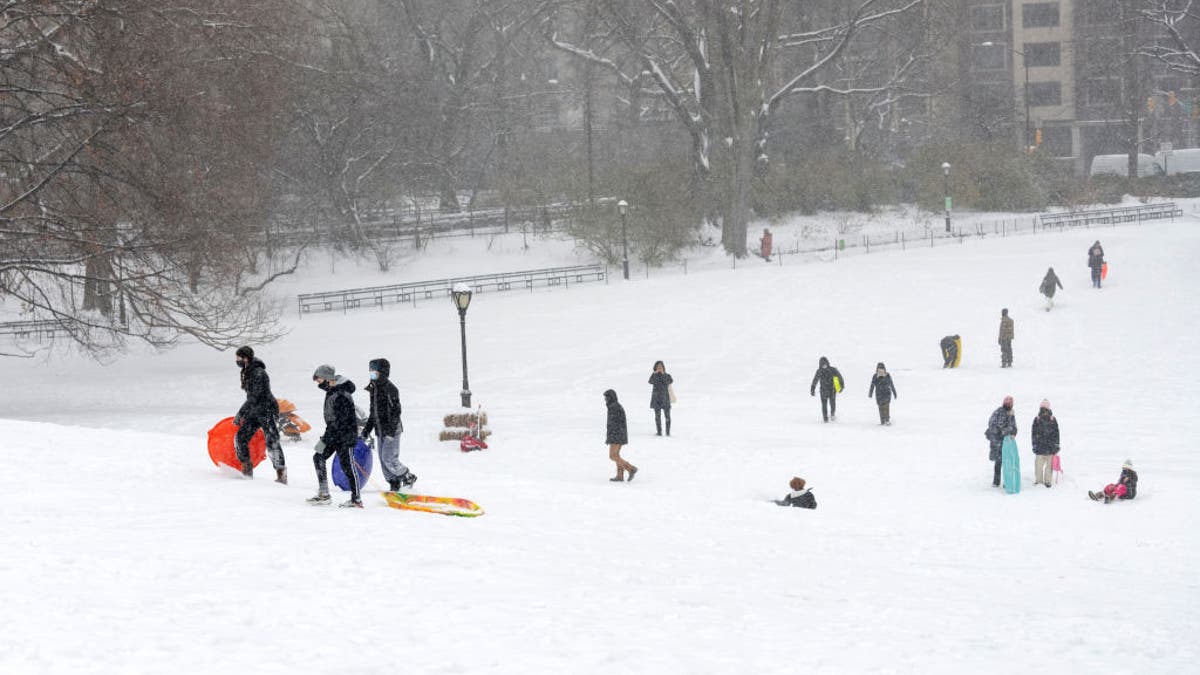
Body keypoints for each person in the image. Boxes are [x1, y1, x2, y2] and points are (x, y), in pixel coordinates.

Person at [307, 364, 363, 508]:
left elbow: (341, 422)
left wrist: (327, 438)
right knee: (318, 457)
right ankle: (324, 494)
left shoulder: (341, 394)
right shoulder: (332, 391)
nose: (318, 384)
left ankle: (356, 500)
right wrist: (327, 437)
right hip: (334, 435)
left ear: (327, 378)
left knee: (348, 467)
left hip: (345, 436)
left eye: (319, 380)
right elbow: (333, 421)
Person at [360, 358, 416, 492]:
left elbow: (397, 412)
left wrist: (391, 432)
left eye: (374, 372)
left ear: (382, 372)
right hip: (380, 430)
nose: (372, 374)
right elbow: (373, 413)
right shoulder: (374, 389)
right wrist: (366, 431)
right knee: (382, 459)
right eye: (371, 372)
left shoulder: (390, 389)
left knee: (389, 458)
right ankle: (394, 482)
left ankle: (408, 476)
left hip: (392, 430)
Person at [233, 346, 286, 483]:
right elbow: (252, 399)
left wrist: (241, 413)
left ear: (246, 358)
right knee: (240, 437)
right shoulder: (248, 371)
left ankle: (281, 474)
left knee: (272, 441)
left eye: (238, 358)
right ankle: (247, 470)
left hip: (267, 410)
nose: (236, 360)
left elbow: (254, 397)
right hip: (255, 410)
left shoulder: (258, 373)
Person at [604, 389, 637, 482]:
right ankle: (620, 476)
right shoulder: (614, 406)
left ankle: (631, 469)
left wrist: (612, 437)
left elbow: (614, 424)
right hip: (619, 435)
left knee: (612, 456)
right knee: (616, 455)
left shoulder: (614, 407)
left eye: (606, 397)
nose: (605, 400)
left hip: (617, 436)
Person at [985, 396, 1018, 487]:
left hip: (1007, 442)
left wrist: (1014, 433)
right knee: (999, 462)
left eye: (1010, 402)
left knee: (1007, 462)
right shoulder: (998, 412)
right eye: (1007, 402)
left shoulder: (1011, 414)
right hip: (998, 442)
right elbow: (993, 425)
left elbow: (1014, 426)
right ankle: (996, 482)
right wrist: (1006, 431)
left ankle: (1007, 481)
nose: (1009, 403)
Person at [1030, 399, 1060, 488]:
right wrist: (1034, 444)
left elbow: (1056, 433)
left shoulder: (1052, 419)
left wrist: (1056, 445)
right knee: (1038, 466)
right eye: (1042, 408)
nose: (1044, 410)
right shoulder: (1037, 419)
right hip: (1040, 447)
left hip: (1050, 447)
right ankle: (1039, 481)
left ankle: (1047, 481)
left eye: (1045, 408)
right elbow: (1033, 433)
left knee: (1049, 466)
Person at [809, 356, 844, 422]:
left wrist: (841, 386)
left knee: (832, 403)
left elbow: (840, 377)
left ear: (827, 363)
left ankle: (832, 414)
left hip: (832, 390)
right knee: (824, 405)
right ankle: (825, 418)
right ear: (820, 364)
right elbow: (815, 380)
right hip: (823, 391)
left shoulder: (833, 370)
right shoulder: (819, 371)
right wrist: (812, 389)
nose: (824, 366)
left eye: (825, 364)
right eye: (822, 364)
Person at [648, 360, 674, 436]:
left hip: (665, 398)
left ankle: (668, 432)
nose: (659, 368)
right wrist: (654, 374)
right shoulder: (654, 375)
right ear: (655, 367)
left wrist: (663, 374)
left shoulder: (667, 375)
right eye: (658, 366)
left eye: (661, 366)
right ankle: (659, 432)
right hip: (656, 399)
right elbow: (650, 381)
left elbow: (669, 381)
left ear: (663, 367)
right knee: (657, 417)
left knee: (667, 416)